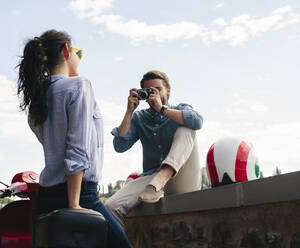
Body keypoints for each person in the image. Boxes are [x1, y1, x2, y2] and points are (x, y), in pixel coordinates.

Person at [17, 29, 132, 248]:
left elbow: (53, 145)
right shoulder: (79, 86)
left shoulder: (39, 97)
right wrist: (75, 204)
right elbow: (77, 149)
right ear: (66, 50)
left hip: (47, 196)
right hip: (79, 195)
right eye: (77, 51)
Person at [105, 70, 203, 228]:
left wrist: (162, 109)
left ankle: (163, 175)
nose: (153, 94)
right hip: (151, 181)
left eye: (157, 89)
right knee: (110, 207)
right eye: (148, 91)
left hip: (181, 178)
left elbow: (197, 122)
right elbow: (120, 146)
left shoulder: (180, 108)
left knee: (187, 127)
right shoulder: (139, 118)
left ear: (168, 90)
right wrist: (129, 111)